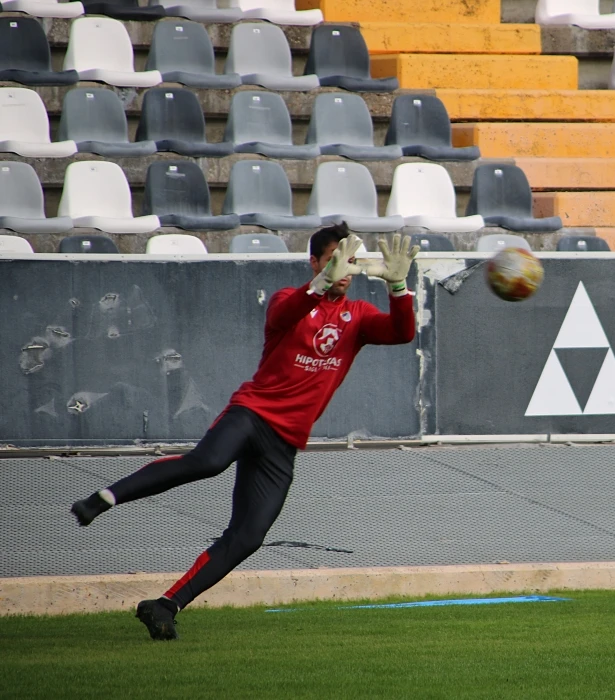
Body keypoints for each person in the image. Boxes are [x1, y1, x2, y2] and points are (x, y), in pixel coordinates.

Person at [70, 224, 419, 641]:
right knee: (208, 462)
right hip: (251, 414)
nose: (345, 269)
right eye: (334, 260)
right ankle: (104, 497)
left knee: (249, 535)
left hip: (285, 441)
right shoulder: (289, 300)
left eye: (351, 262)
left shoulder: (358, 315)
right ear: (314, 263)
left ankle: (165, 605)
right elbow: (284, 315)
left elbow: (402, 332)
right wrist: (321, 282)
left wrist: (398, 286)